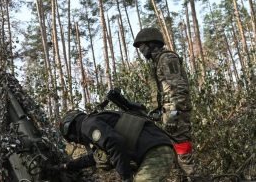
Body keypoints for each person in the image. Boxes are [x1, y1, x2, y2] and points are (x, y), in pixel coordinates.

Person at [133, 27, 195, 178]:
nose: (140, 50)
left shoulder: (167, 59)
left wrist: (174, 114)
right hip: (169, 112)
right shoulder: (157, 61)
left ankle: (196, 178)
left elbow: (179, 88)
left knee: (183, 154)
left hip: (176, 113)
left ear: (151, 44)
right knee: (172, 154)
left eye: (141, 45)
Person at [57, 110, 174, 182]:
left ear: (71, 130)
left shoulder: (87, 125)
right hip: (156, 148)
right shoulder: (95, 122)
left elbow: (115, 143)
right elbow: (94, 157)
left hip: (155, 151)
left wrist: (125, 177)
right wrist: (67, 166)